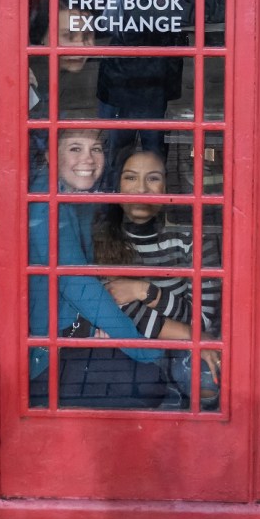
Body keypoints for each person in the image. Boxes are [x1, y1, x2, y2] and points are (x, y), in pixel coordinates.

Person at [28, 129, 167, 409]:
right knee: (151, 381)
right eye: (75, 149)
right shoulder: (46, 206)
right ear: (49, 156)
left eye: (96, 149)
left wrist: (96, 324)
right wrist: (144, 350)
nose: (88, 159)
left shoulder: (69, 194)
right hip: (42, 356)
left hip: (69, 332)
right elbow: (76, 283)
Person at [93, 148, 222, 407]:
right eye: (130, 178)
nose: (141, 189)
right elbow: (112, 309)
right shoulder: (100, 237)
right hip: (132, 338)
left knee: (206, 384)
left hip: (183, 346)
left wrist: (144, 291)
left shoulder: (192, 238)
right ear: (116, 187)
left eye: (153, 178)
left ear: (167, 187)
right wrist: (188, 332)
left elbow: (203, 318)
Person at [95, 0, 192, 168]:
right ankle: (112, 206)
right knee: (116, 151)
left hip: (155, 76)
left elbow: (188, 13)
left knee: (154, 151)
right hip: (119, 75)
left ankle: (155, 207)